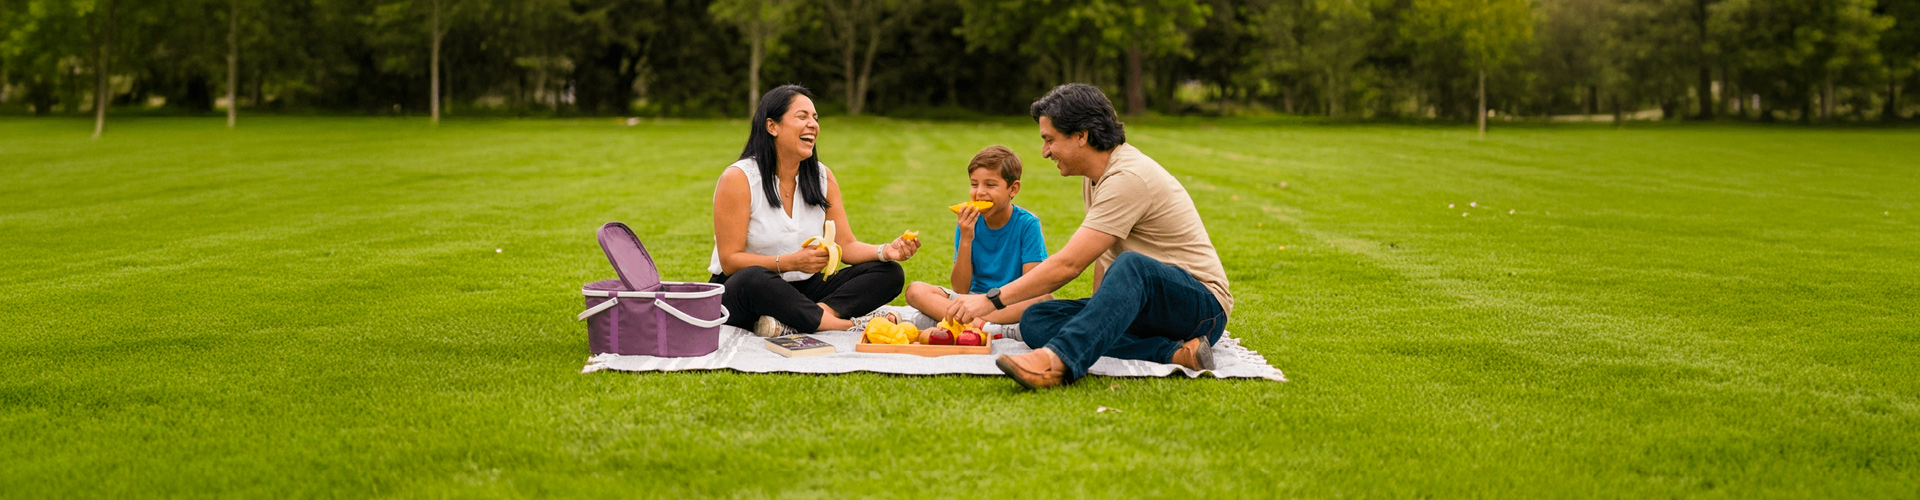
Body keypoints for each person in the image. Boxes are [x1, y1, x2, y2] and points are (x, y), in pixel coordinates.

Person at [948, 83, 1233, 390]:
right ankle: (1176, 353)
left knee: (1133, 265)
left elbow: (1070, 264)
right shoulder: (1097, 177)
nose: (1044, 152)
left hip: (1201, 307)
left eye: (1050, 140)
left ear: (1081, 135)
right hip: (1148, 307)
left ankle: (1055, 362)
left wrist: (991, 301)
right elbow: (1103, 255)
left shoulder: (1127, 178)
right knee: (1037, 319)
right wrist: (1099, 316)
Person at [710, 84, 922, 336]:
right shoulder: (739, 178)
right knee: (753, 278)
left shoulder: (822, 177)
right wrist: (790, 262)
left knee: (888, 273)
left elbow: (846, 245)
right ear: (772, 126)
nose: (813, 124)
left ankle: (800, 319)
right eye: (802, 116)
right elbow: (730, 260)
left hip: (803, 289)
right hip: (746, 292)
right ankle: (845, 325)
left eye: (815, 118)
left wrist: (886, 251)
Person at [901, 146, 1053, 333]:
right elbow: (960, 288)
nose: (979, 192)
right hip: (971, 299)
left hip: (1009, 301)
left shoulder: (1028, 224)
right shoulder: (968, 223)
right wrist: (966, 238)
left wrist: (985, 306)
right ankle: (992, 329)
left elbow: (1033, 286)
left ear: (1013, 189)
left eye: (990, 185)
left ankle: (966, 324)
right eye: (974, 184)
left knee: (1043, 299)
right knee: (915, 291)